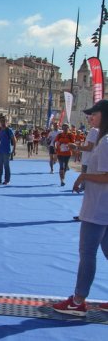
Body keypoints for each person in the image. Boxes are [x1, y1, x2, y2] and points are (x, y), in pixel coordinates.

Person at [52, 100, 108, 316]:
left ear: (104, 115)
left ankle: (78, 301)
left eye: (93, 114)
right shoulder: (102, 140)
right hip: (103, 207)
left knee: (87, 254)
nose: (89, 117)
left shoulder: (105, 142)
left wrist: (83, 175)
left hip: (98, 208)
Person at [0, 115, 16, 185]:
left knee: (6, 166)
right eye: (1, 121)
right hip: (0, 151)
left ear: (7, 121)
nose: (3, 122)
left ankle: (7, 180)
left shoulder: (9, 130)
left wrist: (14, 150)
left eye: (4, 121)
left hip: (6, 151)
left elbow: (14, 140)